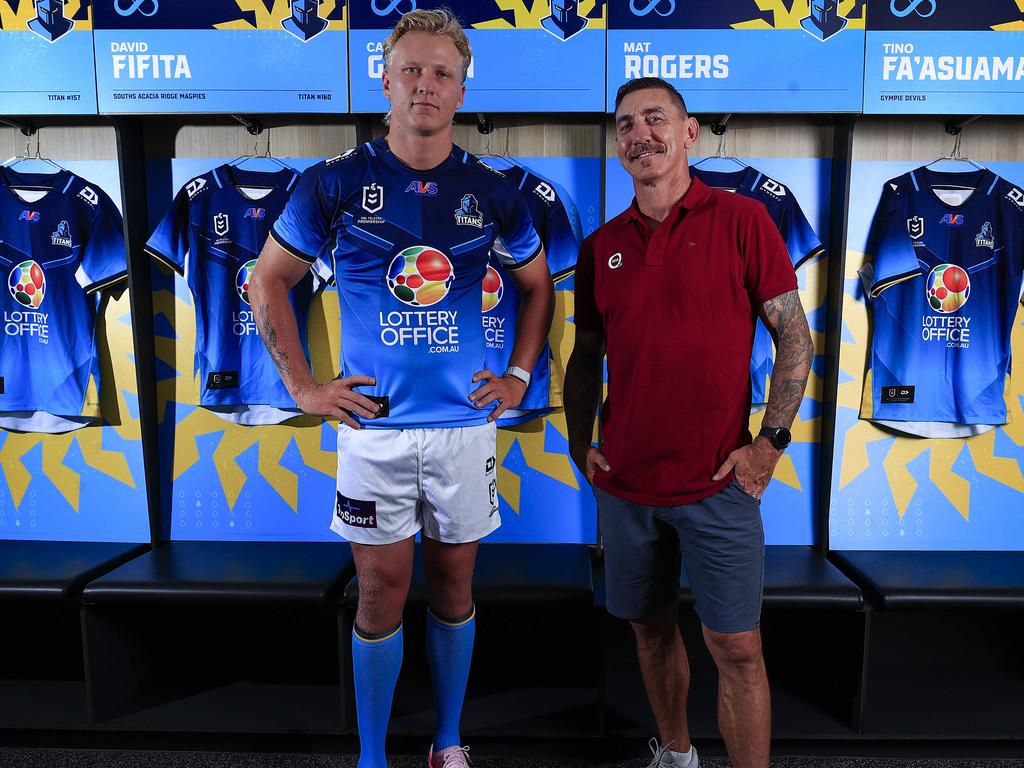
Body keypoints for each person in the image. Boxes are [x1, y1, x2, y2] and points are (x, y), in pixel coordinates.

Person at [248, 9, 554, 768]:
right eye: (411, 70)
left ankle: (447, 742)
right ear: (384, 80)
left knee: (454, 588)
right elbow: (268, 281)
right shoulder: (333, 182)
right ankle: (375, 756)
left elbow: (538, 287)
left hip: (462, 427)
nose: (426, 84)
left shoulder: (496, 190)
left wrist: (518, 375)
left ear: (461, 87)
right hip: (374, 430)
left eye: (442, 72)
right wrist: (304, 388)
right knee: (380, 594)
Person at [564, 77, 813, 768]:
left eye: (655, 118)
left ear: (690, 131)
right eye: (625, 125)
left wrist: (770, 442)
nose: (640, 134)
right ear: (617, 143)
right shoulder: (600, 247)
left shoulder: (743, 220)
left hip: (717, 484)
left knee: (737, 646)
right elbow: (585, 358)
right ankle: (675, 753)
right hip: (628, 486)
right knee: (648, 630)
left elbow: (795, 336)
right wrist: (580, 443)